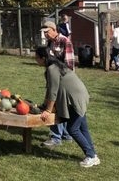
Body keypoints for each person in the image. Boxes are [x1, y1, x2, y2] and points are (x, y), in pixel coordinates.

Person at [36, 46, 100, 168]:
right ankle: (93, 155)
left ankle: (91, 156)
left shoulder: (52, 69)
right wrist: (44, 105)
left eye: (37, 58)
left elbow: (53, 92)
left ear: (43, 58)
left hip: (75, 99)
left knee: (73, 129)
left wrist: (48, 110)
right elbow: (50, 89)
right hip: (80, 96)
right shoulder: (56, 66)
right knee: (82, 128)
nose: (36, 60)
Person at [41, 20, 75, 148]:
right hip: (53, 79)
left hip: (64, 81)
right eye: (44, 33)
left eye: (47, 32)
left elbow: (69, 66)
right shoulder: (49, 43)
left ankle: (56, 137)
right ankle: (66, 134)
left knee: (54, 107)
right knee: (60, 107)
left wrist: (58, 80)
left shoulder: (65, 41)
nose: (45, 35)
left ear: (53, 29)